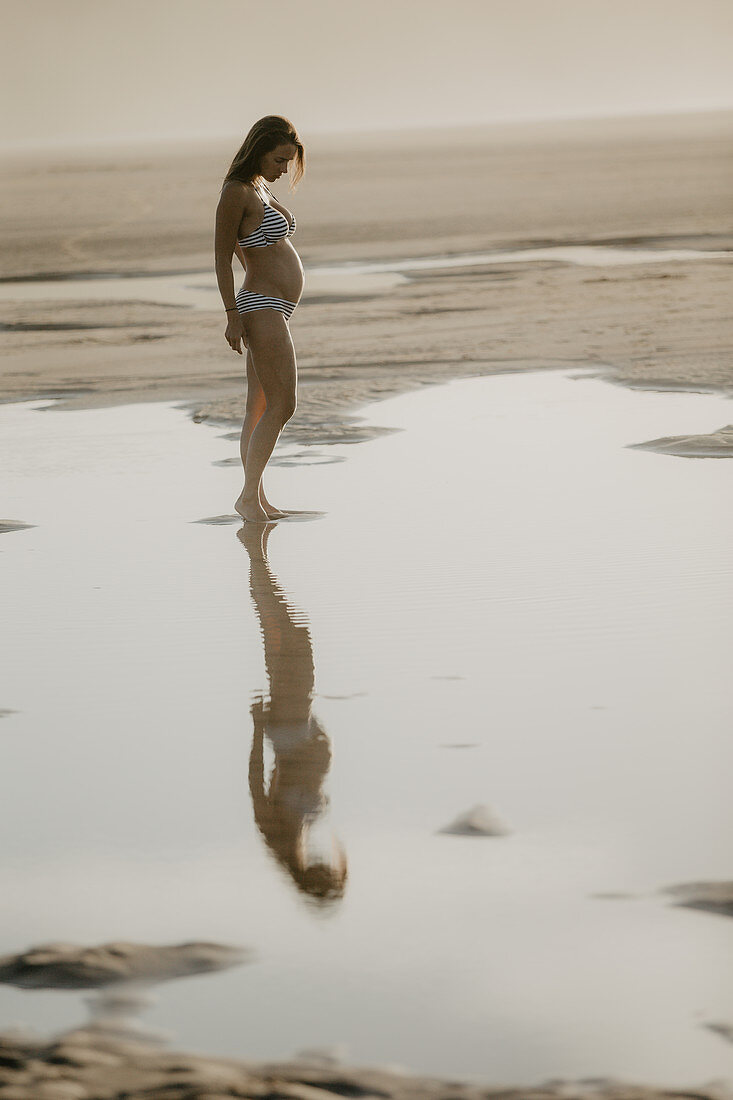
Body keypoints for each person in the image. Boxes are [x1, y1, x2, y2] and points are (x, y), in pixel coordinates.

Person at [215, 116, 305, 522]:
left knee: (260, 404)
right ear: (259, 150)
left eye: (289, 161)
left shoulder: (258, 186)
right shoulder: (235, 192)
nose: (284, 169)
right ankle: (248, 496)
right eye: (280, 159)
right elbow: (221, 255)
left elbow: (246, 244)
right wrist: (234, 313)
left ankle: (258, 497)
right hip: (260, 305)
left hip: (272, 305)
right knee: (284, 404)